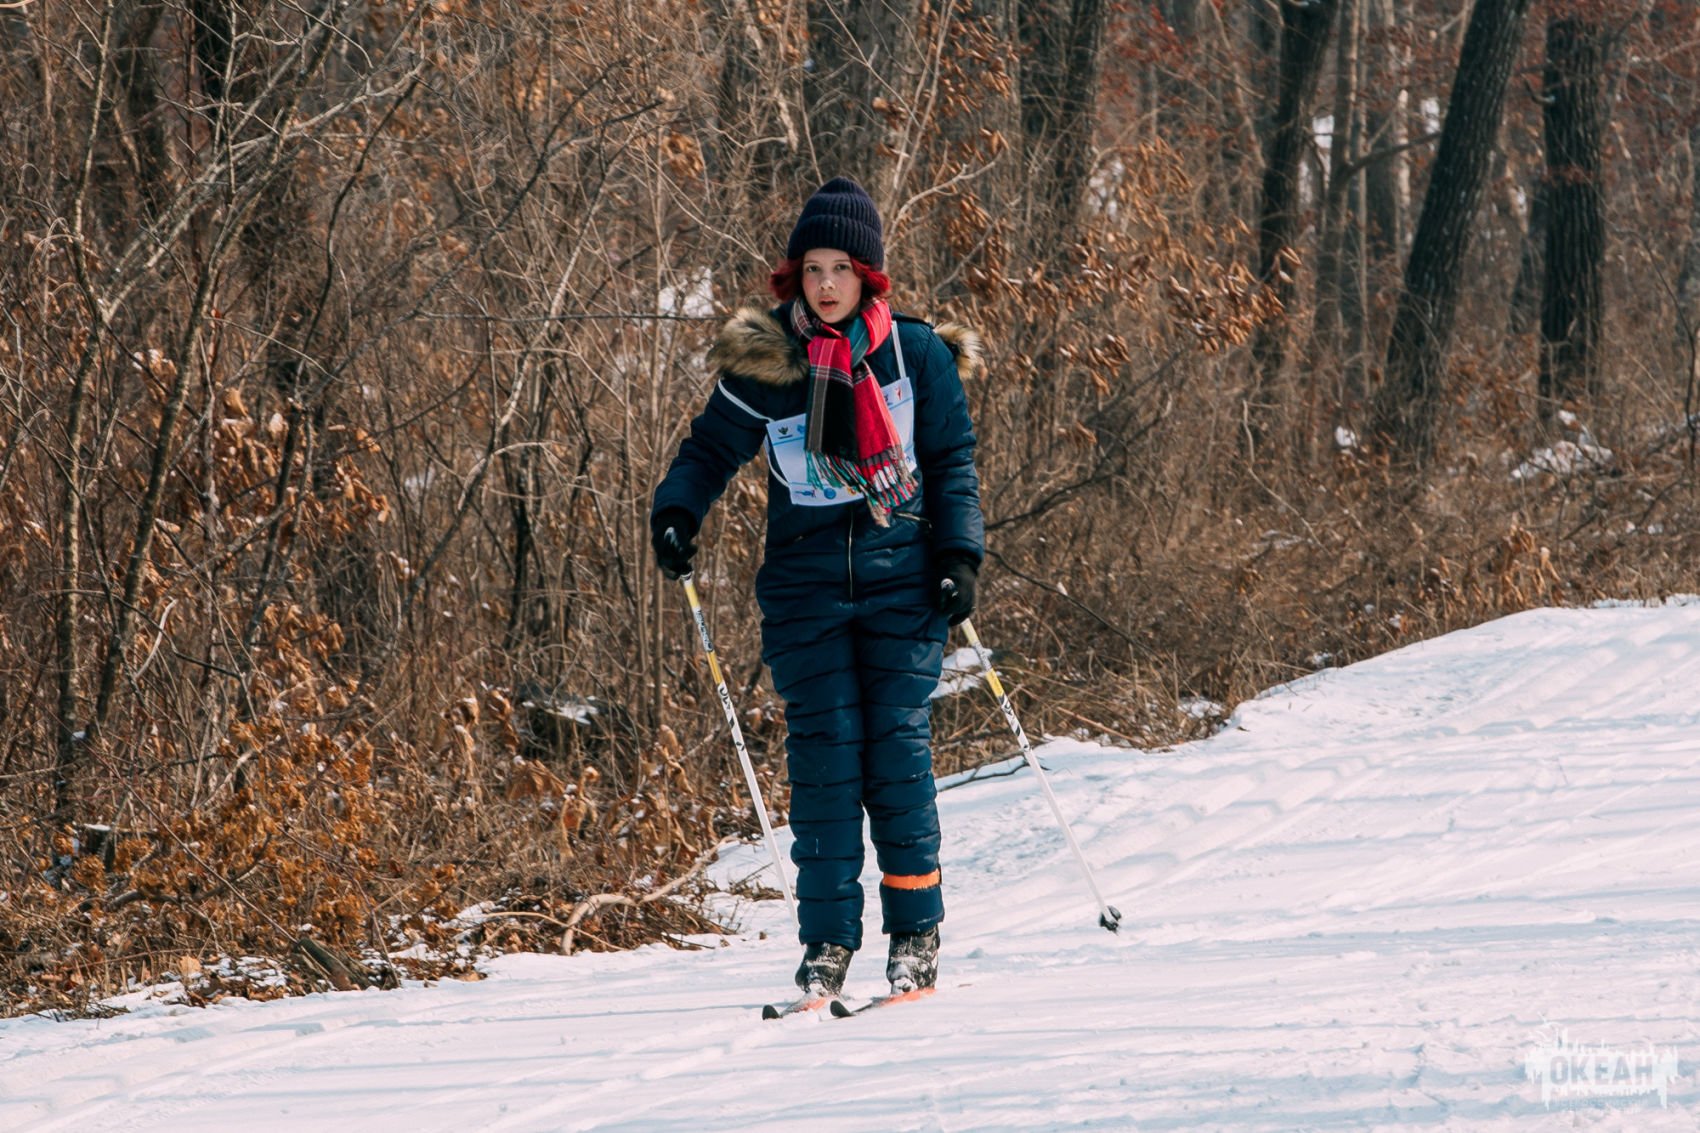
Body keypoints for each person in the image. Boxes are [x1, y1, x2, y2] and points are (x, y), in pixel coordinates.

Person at [650, 177, 985, 1001]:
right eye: (812, 270)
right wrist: (677, 511)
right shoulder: (768, 365)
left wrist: (959, 556)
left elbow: (951, 462)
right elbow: (708, 450)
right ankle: (828, 942)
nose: (826, 284)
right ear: (794, 277)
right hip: (804, 594)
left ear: (867, 276)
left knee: (896, 755)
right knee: (826, 762)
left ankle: (915, 933)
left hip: (904, 583)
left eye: (841, 268)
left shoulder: (916, 355)